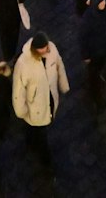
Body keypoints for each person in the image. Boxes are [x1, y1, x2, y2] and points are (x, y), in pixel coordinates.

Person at [11, 32, 69, 175]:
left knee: (34, 129)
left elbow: (59, 66)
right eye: (44, 48)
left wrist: (63, 84)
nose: (47, 50)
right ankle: (45, 160)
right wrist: (21, 111)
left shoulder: (52, 50)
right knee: (40, 134)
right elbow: (18, 91)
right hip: (34, 107)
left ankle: (30, 141)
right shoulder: (23, 64)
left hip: (48, 99)